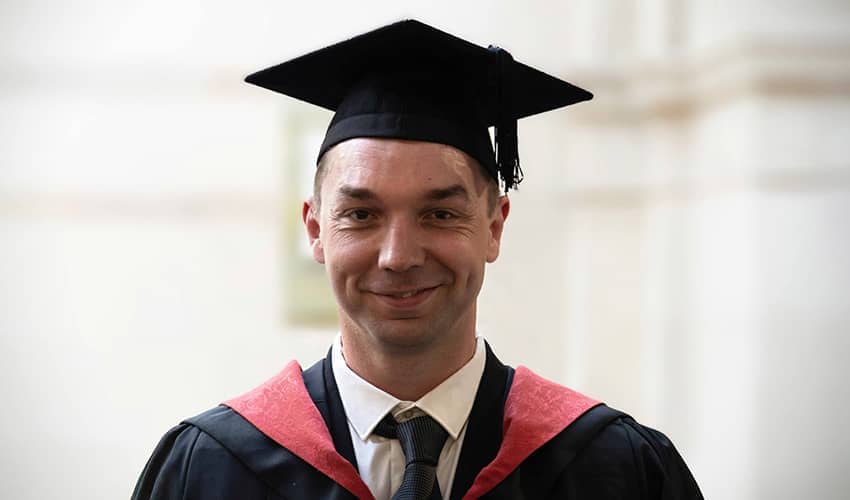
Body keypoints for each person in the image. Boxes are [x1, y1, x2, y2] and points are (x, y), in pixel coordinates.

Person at [132, 20, 703, 499]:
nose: (398, 256)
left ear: (494, 227)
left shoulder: (615, 471)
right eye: (361, 215)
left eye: (439, 214)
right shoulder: (209, 472)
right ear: (315, 229)